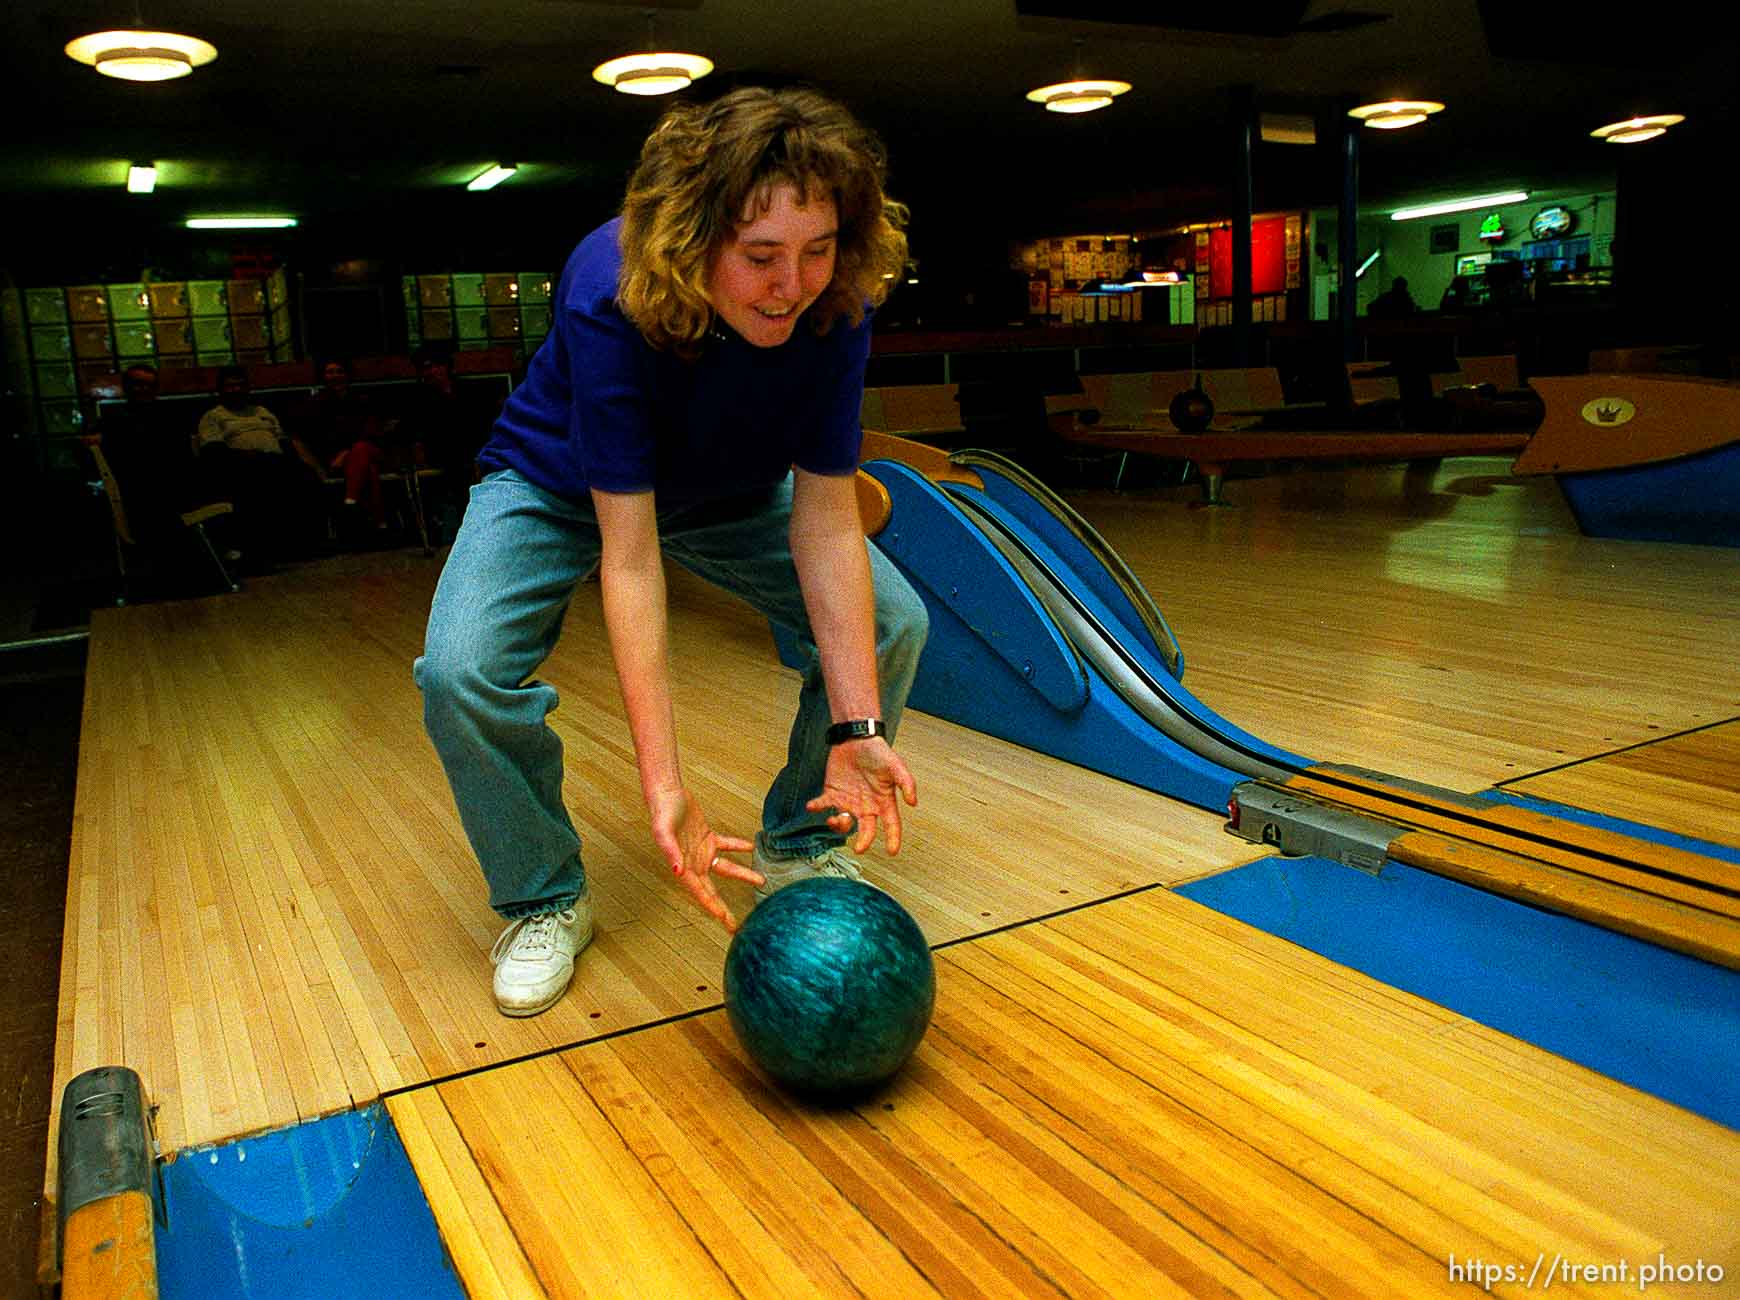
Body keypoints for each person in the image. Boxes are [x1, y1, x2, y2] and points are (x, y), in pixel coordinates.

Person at [415, 85, 929, 1018]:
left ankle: (800, 839)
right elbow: (632, 555)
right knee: (459, 673)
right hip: (559, 486)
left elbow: (824, 521)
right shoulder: (608, 289)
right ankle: (545, 899)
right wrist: (667, 786)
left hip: (733, 486)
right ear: (693, 240)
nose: (792, 283)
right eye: (761, 256)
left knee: (894, 621)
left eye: (816, 251)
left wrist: (859, 729)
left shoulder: (835, 302)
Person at [195, 366, 324, 567]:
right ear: (221, 389)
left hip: (276, 462)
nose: (236, 389)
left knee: (306, 476)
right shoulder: (213, 416)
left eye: (240, 384)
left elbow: (283, 441)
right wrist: (248, 455)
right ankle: (263, 551)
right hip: (240, 466)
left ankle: (304, 544)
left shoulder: (262, 411)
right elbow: (213, 451)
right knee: (257, 482)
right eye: (230, 385)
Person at [297, 358, 393, 540]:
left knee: (362, 448)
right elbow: (315, 435)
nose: (335, 376)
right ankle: (381, 525)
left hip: (369, 449)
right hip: (336, 460)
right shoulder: (315, 404)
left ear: (347, 375)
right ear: (323, 376)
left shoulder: (363, 399)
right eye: (330, 372)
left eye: (339, 371)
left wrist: (347, 451)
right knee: (368, 469)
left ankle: (350, 502)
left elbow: (371, 431)